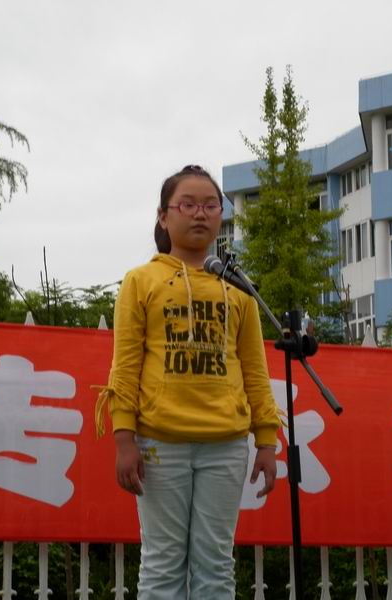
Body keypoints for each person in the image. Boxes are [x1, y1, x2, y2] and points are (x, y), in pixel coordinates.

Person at [95, 164, 281, 599]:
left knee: (216, 564)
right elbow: (125, 365)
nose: (200, 213)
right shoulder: (141, 281)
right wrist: (124, 439)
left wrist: (267, 442)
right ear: (164, 217)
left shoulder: (239, 288)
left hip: (226, 444)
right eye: (188, 205)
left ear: (221, 216)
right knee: (162, 565)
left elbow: (255, 370)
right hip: (160, 443)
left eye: (210, 205)